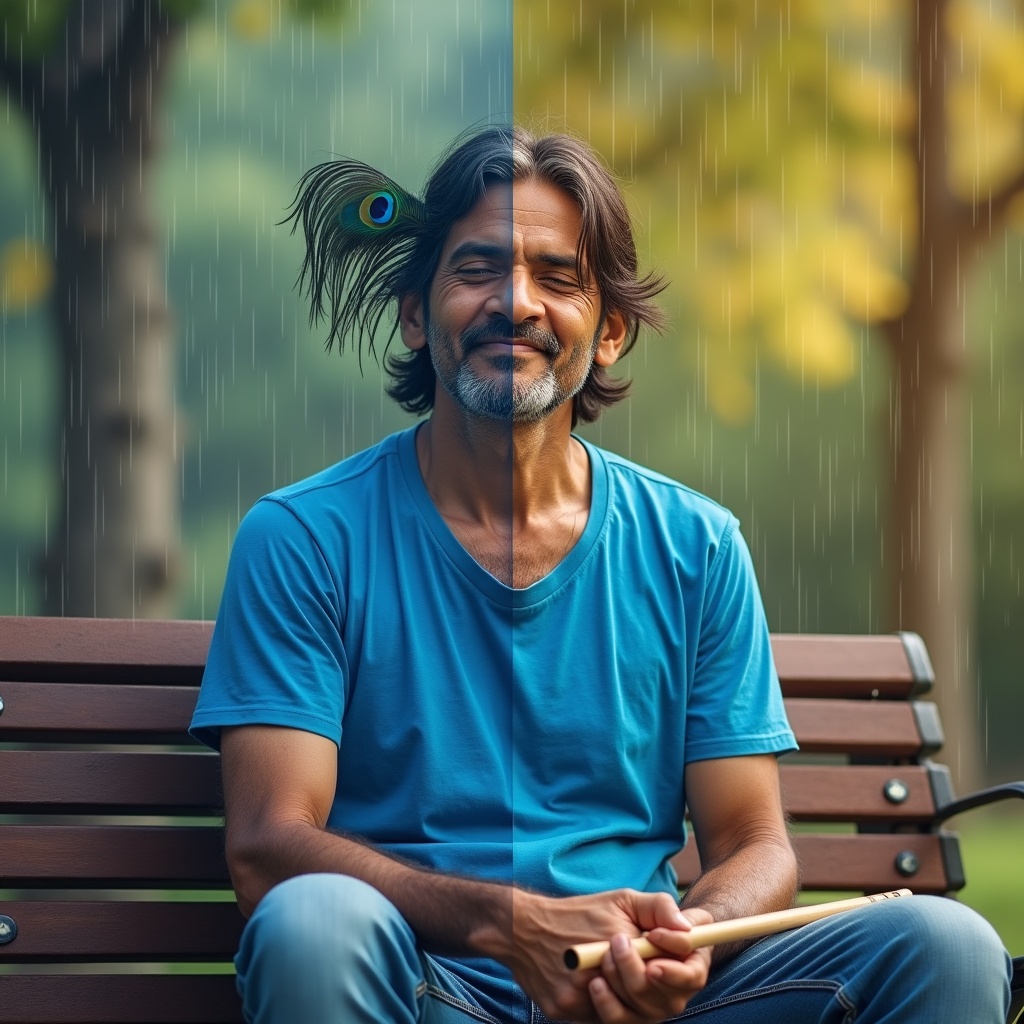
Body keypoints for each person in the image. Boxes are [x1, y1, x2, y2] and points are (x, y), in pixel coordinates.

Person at [190, 125, 1011, 1024]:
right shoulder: (304, 538)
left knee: (946, 944)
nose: (516, 302)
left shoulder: (697, 545)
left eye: (557, 277)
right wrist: (510, 923)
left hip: (644, 997)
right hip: (427, 988)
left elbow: (754, 842)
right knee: (310, 921)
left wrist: (678, 945)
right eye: (477, 269)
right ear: (417, 315)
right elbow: (269, 846)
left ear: (610, 331)